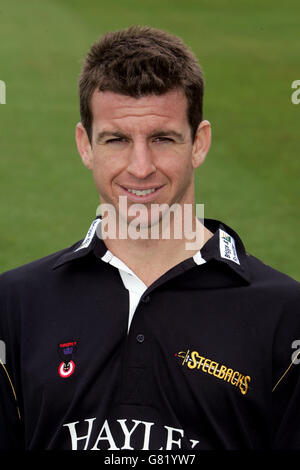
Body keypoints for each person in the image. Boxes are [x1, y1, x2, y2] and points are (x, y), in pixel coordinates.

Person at [0, 25, 300, 451]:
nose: (140, 167)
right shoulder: (14, 306)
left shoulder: (284, 315)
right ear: (85, 146)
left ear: (199, 142)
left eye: (162, 138)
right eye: (117, 139)